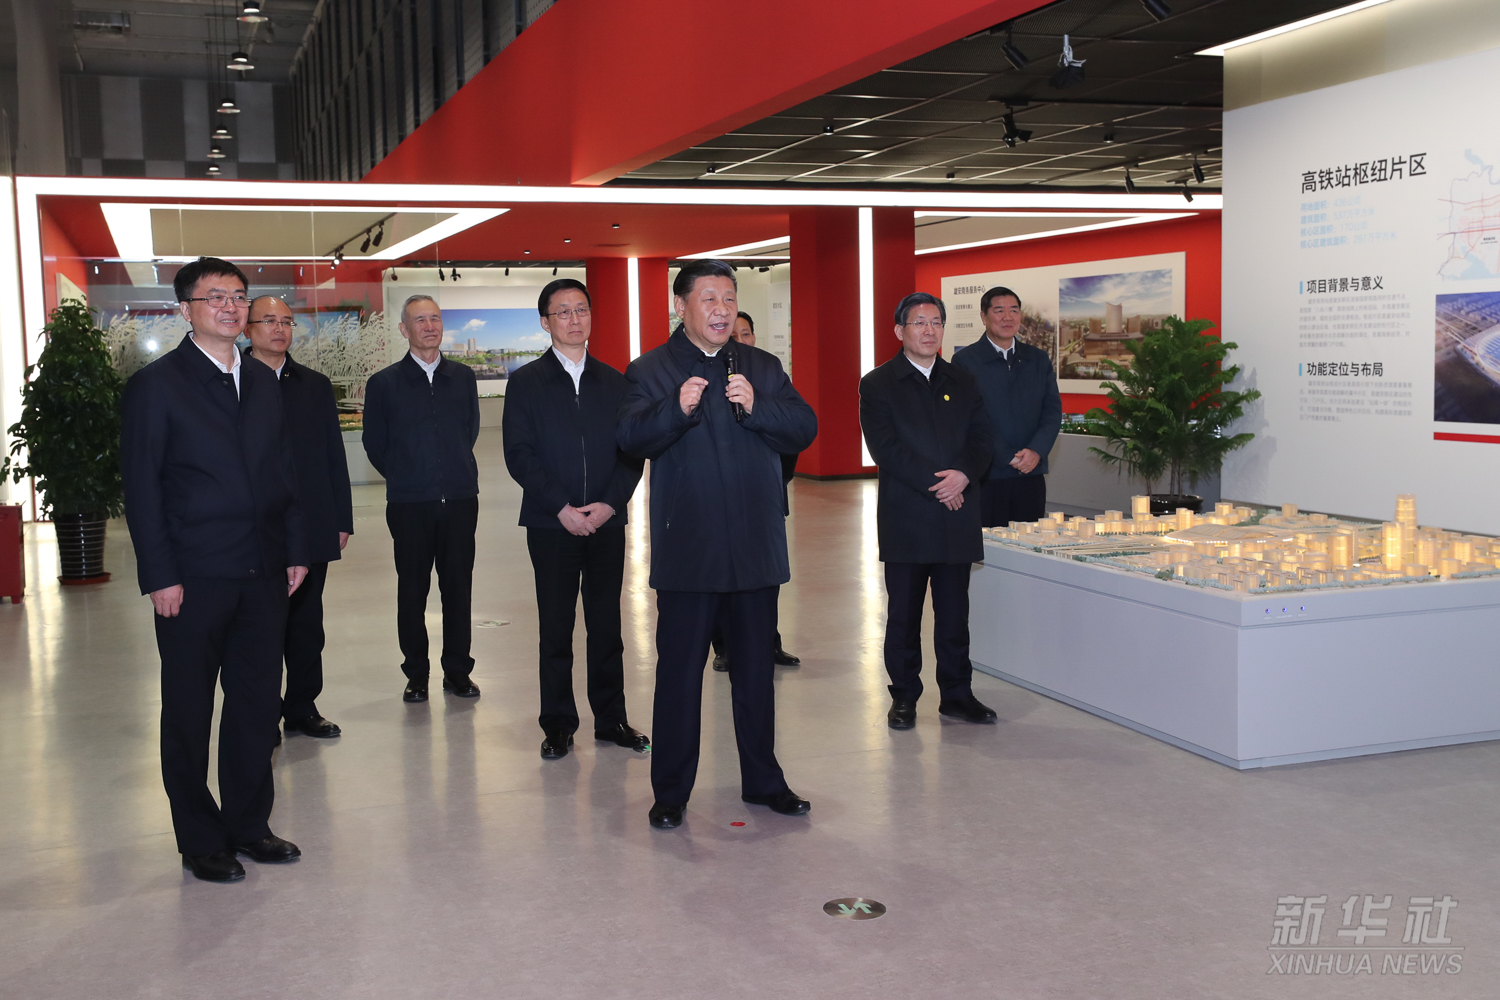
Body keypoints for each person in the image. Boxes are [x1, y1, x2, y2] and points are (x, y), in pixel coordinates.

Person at [121, 256, 309, 883]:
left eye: (238, 296)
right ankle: (200, 838)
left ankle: (249, 825)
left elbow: (284, 473)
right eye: (215, 297)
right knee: (189, 710)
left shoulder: (261, 380)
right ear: (186, 310)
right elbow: (142, 489)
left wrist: (295, 549)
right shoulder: (157, 386)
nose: (230, 307)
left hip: (263, 571)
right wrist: (159, 574)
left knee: (256, 705)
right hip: (193, 576)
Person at [617, 259, 818, 830]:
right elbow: (629, 436)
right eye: (708, 298)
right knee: (680, 677)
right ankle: (671, 792)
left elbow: (804, 426)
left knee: (755, 676)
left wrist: (758, 406)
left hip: (755, 548)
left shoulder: (761, 366)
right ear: (680, 306)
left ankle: (764, 782)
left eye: (729, 298)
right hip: (690, 549)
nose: (721, 310)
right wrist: (674, 410)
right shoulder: (651, 369)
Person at [502, 278, 648, 760]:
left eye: (581, 309)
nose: (573, 319)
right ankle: (559, 724)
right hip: (551, 525)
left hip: (606, 523)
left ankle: (612, 719)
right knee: (556, 627)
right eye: (562, 312)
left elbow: (632, 451)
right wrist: (561, 508)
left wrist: (609, 504)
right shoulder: (526, 382)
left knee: (607, 626)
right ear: (545, 323)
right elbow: (519, 454)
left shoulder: (616, 382)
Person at [859, 292, 997, 731]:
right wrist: (941, 485)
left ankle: (957, 694)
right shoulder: (878, 384)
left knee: (955, 616)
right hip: (908, 515)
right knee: (904, 616)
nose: (929, 330)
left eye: (936, 322)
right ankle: (904, 696)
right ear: (899, 330)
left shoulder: (964, 380)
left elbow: (982, 439)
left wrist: (964, 476)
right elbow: (886, 449)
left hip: (957, 515)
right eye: (919, 322)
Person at [244, 295, 353, 740]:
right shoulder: (234, 380)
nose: (279, 329)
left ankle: (302, 708)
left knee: (307, 623)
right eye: (269, 321)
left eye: (287, 322)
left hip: (310, 523)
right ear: (248, 328)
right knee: (260, 626)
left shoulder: (314, 385)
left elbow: (333, 454)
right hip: (254, 528)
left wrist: (341, 518)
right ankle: (261, 715)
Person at [363, 295, 481, 703]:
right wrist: (406, 476)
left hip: (460, 500)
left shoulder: (463, 378)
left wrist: (453, 470)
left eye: (435, 319)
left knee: (458, 589)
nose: (429, 327)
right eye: (419, 320)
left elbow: (470, 430)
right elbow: (375, 443)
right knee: (412, 592)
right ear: (404, 329)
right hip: (409, 504)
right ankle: (416, 674)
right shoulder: (384, 383)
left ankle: (458, 672)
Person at [711, 310, 800, 672]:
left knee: (764, 577)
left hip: (764, 496)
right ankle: (725, 647)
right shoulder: (712, 378)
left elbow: (791, 436)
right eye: (734, 335)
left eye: (746, 334)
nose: (740, 341)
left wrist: (775, 480)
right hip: (720, 502)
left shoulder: (768, 375)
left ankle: (768, 642)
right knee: (721, 578)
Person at [951, 286, 1062, 527]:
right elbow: (966, 419)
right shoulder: (965, 362)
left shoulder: (1038, 359)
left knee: (1031, 541)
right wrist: (1005, 456)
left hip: (1030, 473)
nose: (1007, 317)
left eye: (1014, 310)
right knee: (989, 544)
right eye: (999, 310)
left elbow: (1052, 412)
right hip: (987, 474)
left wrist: (1036, 451)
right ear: (984, 317)